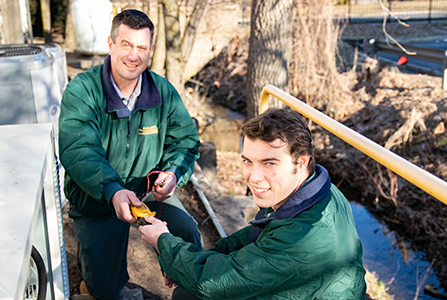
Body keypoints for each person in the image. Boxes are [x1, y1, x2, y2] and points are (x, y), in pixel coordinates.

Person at [139, 108, 367, 299]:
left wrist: (163, 243)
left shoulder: (303, 236)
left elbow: (212, 282)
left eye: (269, 163)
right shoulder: (315, 189)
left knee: (187, 296)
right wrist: (180, 264)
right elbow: (256, 235)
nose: (254, 177)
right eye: (248, 161)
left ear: (301, 161)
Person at [58, 9, 202, 300]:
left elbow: (185, 141)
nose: (133, 55)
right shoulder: (83, 90)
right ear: (110, 44)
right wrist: (113, 191)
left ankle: (187, 293)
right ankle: (94, 276)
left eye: (141, 47)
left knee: (188, 233)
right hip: (97, 197)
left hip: (146, 189)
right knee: (104, 289)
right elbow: (79, 149)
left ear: (150, 50)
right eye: (126, 44)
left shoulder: (163, 91)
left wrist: (174, 173)